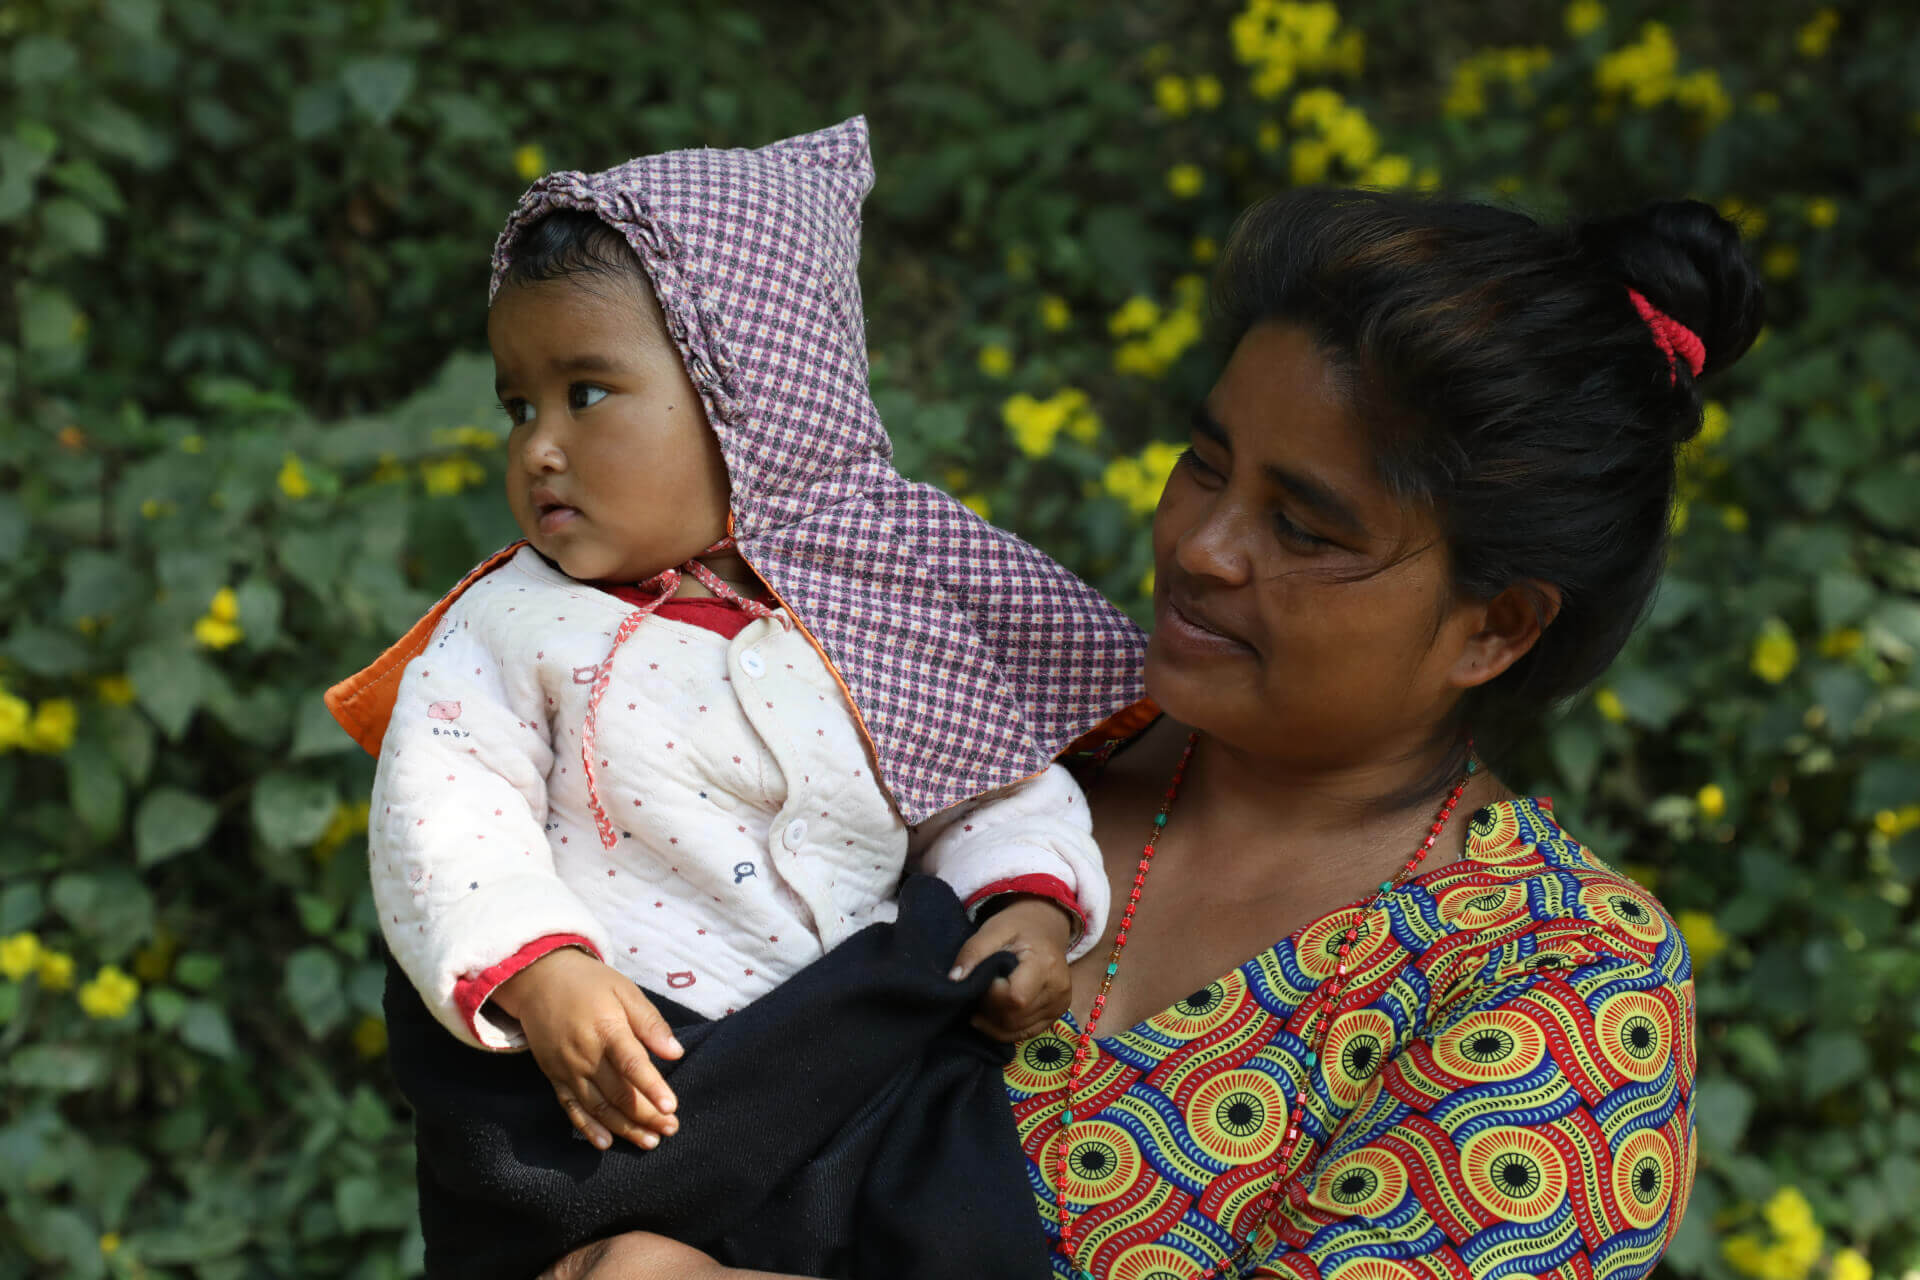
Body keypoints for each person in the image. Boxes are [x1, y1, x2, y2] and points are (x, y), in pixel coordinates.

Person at [542, 188, 1763, 1279]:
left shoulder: (1561, 981)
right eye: (1204, 462)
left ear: (1494, 626)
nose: (1201, 545)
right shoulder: (1002, 736)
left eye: (1306, 529)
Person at [324, 117, 1146, 1279]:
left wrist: (1028, 908)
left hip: (854, 1058)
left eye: (587, 392)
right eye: (520, 406)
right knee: (582, 1221)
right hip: (632, 1075)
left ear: (750, 396)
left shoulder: (874, 598)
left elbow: (991, 787)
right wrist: (543, 966)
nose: (541, 448)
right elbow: (446, 811)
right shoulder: (509, 623)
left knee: (971, 1221)